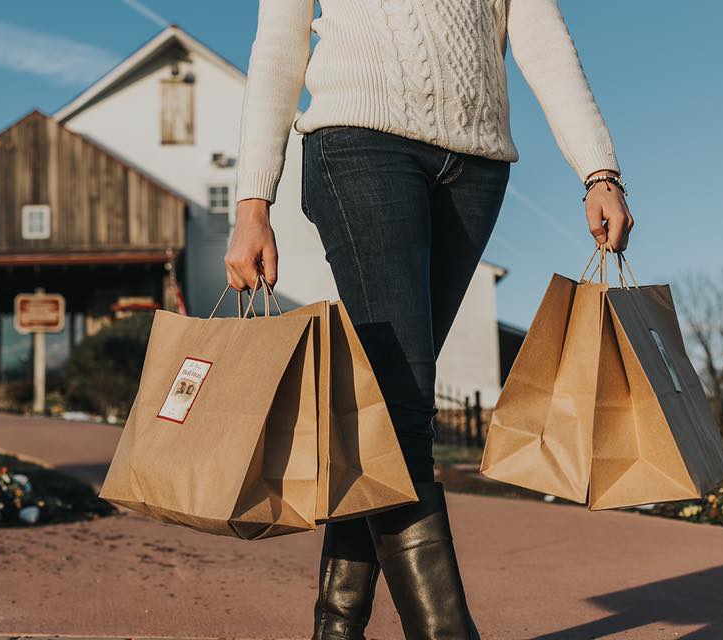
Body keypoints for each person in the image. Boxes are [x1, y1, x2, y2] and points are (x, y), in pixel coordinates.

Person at [226, 1, 632, 638]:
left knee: (388, 412)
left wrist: (599, 170)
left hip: (475, 168)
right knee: (405, 409)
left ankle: (336, 627)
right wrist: (254, 202)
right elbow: (278, 44)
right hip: (359, 146)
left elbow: (542, 35)